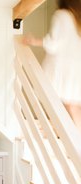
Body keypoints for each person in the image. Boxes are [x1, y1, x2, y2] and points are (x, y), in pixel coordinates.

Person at [23, 0, 81, 132]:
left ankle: (54, 130)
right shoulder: (77, 17)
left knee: (53, 100)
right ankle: (71, 138)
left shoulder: (61, 15)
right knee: (72, 105)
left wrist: (33, 41)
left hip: (61, 66)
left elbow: (54, 44)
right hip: (76, 68)